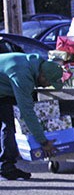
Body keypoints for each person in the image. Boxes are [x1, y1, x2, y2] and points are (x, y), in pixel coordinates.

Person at [0, 52, 64, 180]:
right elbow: (27, 112)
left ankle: (6, 167)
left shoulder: (34, 64)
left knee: (8, 126)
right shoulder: (22, 75)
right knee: (7, 126)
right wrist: (43, 141)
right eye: (48, 83)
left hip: (3, 90)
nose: (47, 86)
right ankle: (6, 167)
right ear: (43, 76)